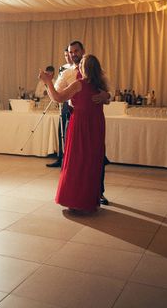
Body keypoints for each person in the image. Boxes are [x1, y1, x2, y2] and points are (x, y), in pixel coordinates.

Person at [39, 54, 108, 213]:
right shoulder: (100, 85)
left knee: (77, 161)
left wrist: (48, 81)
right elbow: (107, 98)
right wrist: (107, 96)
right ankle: (89, 200)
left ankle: (76, 200)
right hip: (97, 125)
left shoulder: (79, 84)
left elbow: (58, 98)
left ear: (83, 68)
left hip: (81, 125)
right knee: (92, 161)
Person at [46, 49, 74, 168]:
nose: (67, 57)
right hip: (64, 102)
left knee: (71, 132)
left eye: (69, 55)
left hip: (74, 102)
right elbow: (58, 86)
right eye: (65, 55)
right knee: (61, 129)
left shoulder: (79, 68)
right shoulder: (63, 67)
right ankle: (60, 157)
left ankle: (70, 159)